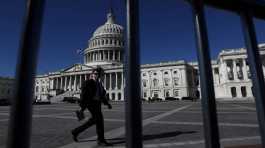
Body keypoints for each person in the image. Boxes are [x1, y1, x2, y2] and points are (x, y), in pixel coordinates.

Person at [71, 67, 113, 146]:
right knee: (99, 121)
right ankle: (101, 140)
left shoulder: (99, 84)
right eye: (95, 74)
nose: (97, 76)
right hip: (91, 103)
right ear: (92, 74)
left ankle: (75, 132)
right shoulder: (88, 82)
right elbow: (84, 95)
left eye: (98, 74)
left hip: (97, 104)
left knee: (94, 121)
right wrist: (82, 107)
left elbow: (102, 95)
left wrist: (107, 104)